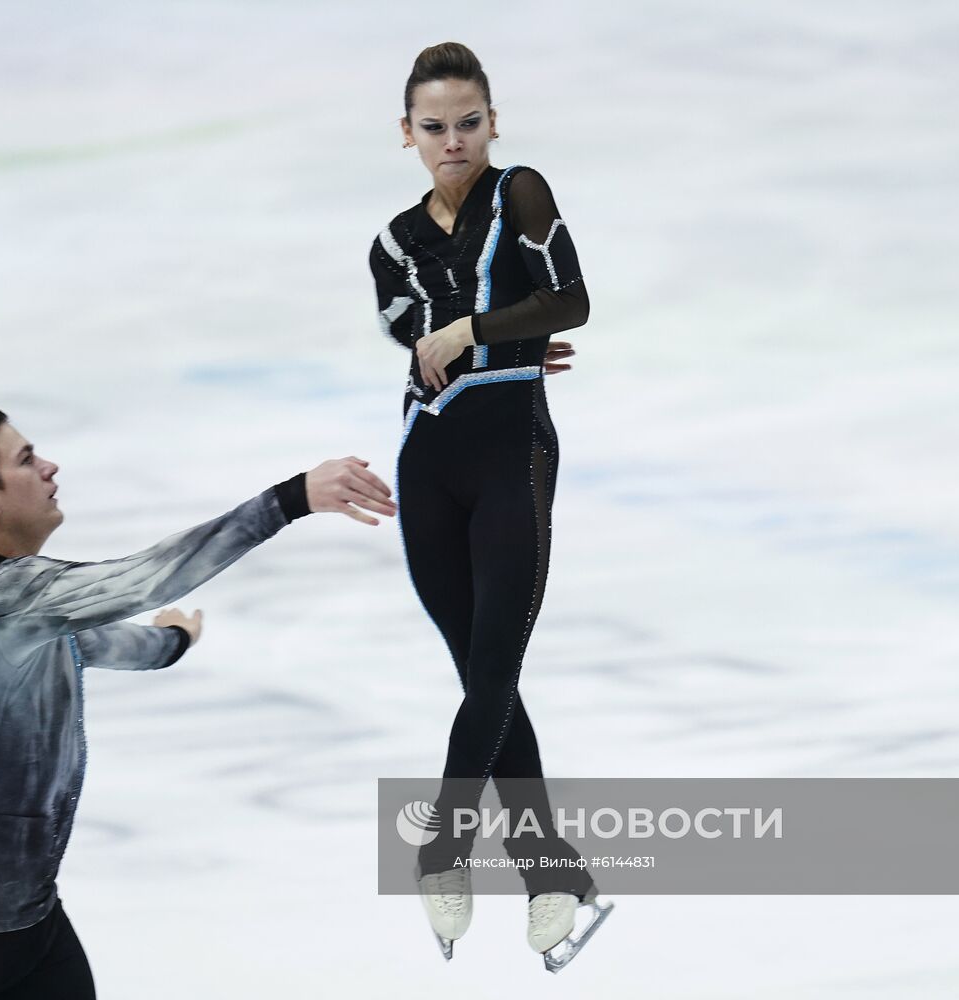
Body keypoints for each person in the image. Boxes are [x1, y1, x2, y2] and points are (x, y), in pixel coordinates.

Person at [0, 405, 395, 998]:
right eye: (26, 459)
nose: (49, 467)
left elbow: (98, 643)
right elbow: (146, 580)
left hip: (29, 921)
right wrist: (290, 499)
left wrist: (170, 642)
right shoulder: (5, 596)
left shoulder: (17, 610)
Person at [368, 42, 609, 969]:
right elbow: (409, 338)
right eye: (434, 127)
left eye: (469, 122)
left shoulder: (524, 193)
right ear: (407, 134)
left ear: (492, 121)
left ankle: (444, 850)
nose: (454, 141)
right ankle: (552, 875)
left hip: (514, 457)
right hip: (427, 463)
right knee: (484, 677)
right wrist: (504, 335)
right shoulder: (392, 242)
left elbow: (573, 299)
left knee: (495, 664)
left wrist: (482, 329)